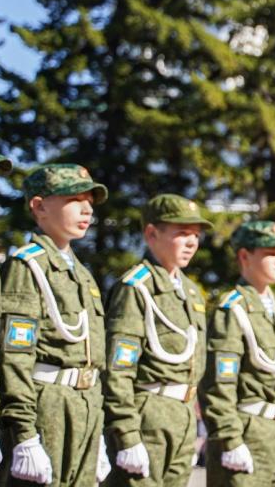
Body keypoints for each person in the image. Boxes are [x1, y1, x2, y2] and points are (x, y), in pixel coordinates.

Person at [0, 164, 110, 487]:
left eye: (90, 200)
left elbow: (94, 358)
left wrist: (98, 429)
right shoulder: (28, 266)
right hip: (47, 405)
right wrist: (23, 434)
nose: (87, 208)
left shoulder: (83, 275)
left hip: (86, 407)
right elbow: (15, 355)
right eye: (74, 199)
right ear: (39, 206)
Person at [103, 194, 212, 487]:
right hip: (147, 416)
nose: (192, 242)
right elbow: (118, 370)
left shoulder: (190, 293)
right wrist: (126, 434)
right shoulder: (136, 288)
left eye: (196, 235)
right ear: (152, 233)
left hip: (183, 416)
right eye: (182, 233)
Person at [200, 220, 275, 487]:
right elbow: (218, 384)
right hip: (247, 431)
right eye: (271, 254)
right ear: (245, 256)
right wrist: (229, 439)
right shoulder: (231, 308)